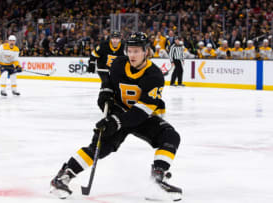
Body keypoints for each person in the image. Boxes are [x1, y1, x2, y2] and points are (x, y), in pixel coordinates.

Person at [50, 32, 182, 201]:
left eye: (136, 51)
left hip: (141, 117)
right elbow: (109, 85)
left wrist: (116, 122)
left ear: (146, 52)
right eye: (130, 50)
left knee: (170, 136)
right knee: (99, 148)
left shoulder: (154, 75)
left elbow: (141, 111)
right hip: (118, 111)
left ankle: (157, 179)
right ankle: (63, 177)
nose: (132, 55)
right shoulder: (119, 63)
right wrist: (104, 94)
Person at [87, 31, 125, 100]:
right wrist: (91, 63)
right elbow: (94, 54)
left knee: (117, 84)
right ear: (110, 39)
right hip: (103, 68)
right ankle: (104, 98)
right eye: (113, 38)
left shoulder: (124, 47)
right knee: (106, 82)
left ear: (120, 39)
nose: (115, 41)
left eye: (117, 38)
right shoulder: (103, 45)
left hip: (115, 70)